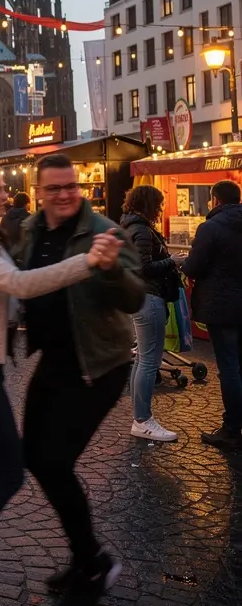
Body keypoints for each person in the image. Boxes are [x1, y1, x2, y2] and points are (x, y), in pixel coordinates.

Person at [0, 152, 145, 606]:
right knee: (35, 459)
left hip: (97, 365)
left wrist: (110, 269)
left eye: (70, 186)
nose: (65, 194)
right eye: (54, 188)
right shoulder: (27, 231)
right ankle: (83, 558)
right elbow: (4, 281)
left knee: (52, 462)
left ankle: (93, 565)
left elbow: (135, 297)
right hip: (52, 362)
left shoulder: (104, 232)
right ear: (39, 192)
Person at [183, 178, 242, 450]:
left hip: (222, 307)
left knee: (229, 368)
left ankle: (231, 429)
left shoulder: (211, 227)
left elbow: (193, 267)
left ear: (216, 199)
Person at [120, 185, 180, 443]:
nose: (160, 208)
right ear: (148, 204)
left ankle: (140, 417)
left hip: (140, 297)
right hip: (149, 297)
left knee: (142, 359)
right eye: (158, 204)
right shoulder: (142, 230)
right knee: (148, 361)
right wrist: (173, 261)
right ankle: (143, 420)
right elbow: (145, 267)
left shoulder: (129, 226)